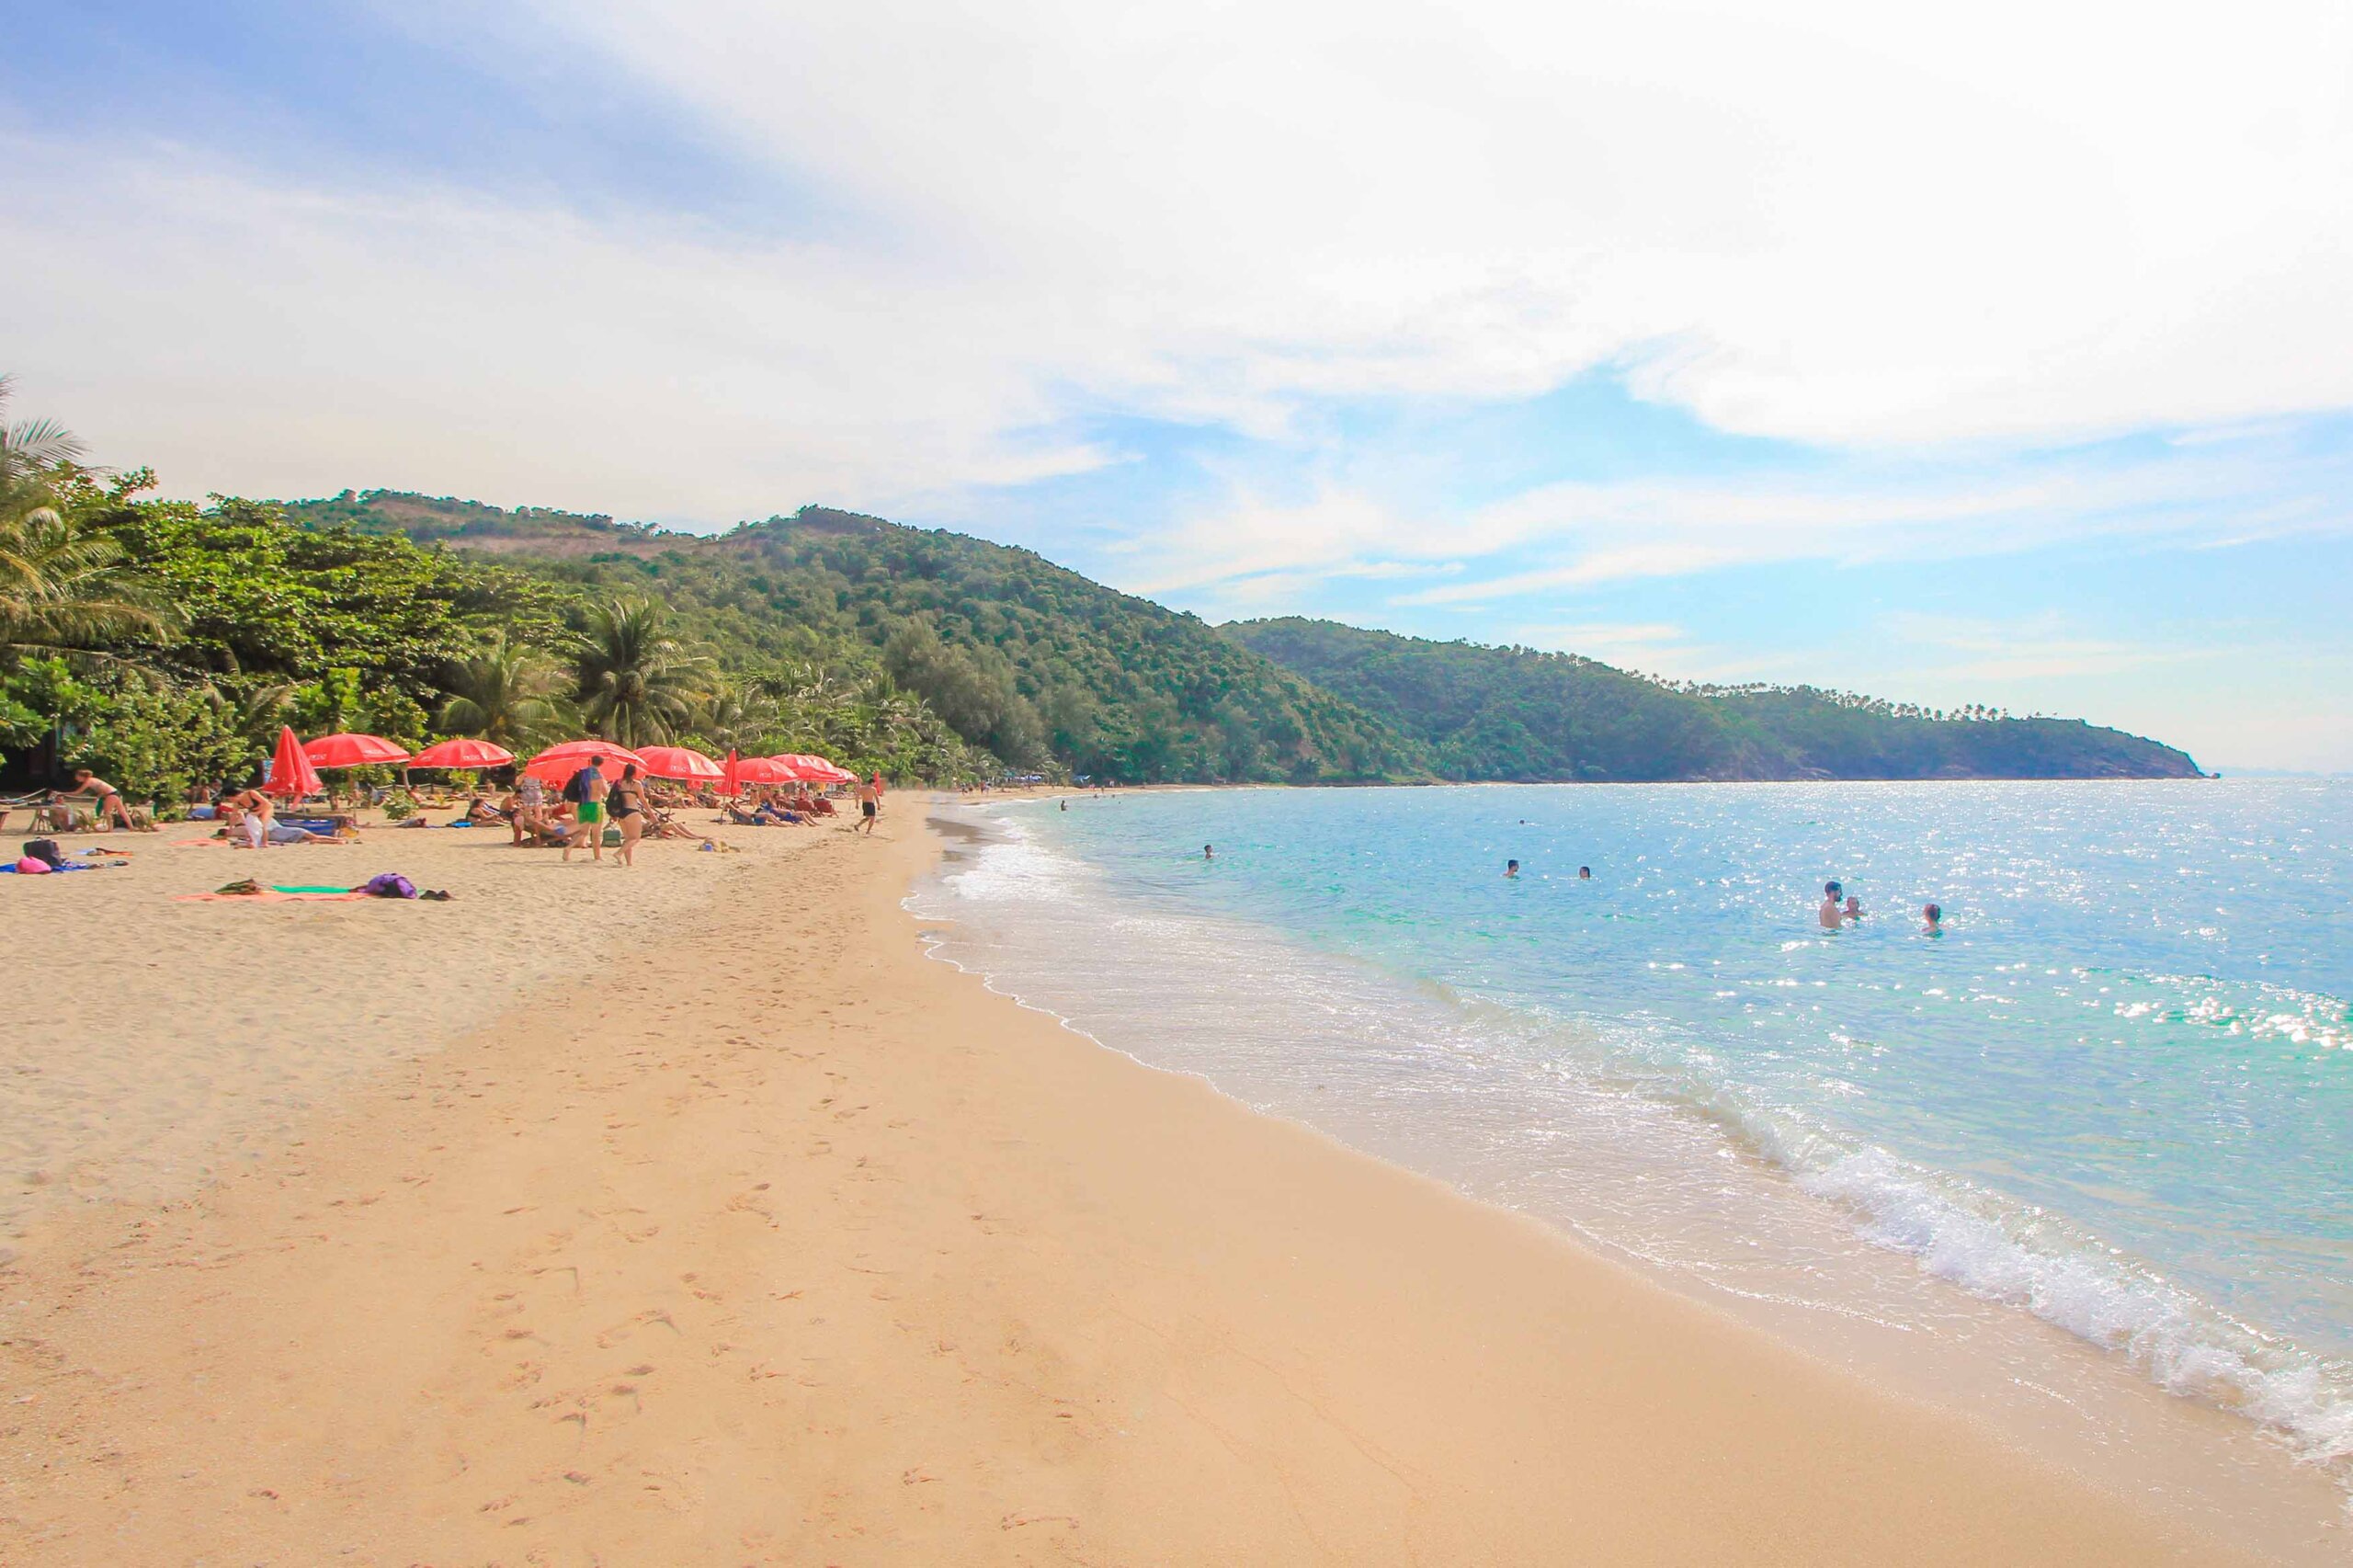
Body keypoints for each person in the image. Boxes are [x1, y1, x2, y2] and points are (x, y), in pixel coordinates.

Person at [64, 769, 144, 832]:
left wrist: (63, 793)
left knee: (107, 812)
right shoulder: (93, 780)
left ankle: (110, 829)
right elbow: (102, 789)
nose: (76, 778)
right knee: (122, 812)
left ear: (81, 776)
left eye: (77, 776)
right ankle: (131, 827)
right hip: (115, 792)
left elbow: (78, 792)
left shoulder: (88, 781)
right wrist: (98, 797)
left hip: (111, 795)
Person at [563, 756, 607, 863]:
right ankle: (597, 856)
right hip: (595, 805)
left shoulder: (582, 774)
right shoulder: (598, 775)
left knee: (583, 832)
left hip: (583, 805)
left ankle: (568, 848)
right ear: (601, 764)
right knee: (596, 833)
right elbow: (605, 793)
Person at [608, 763, 646, 867]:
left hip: (621, 813)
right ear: (634, 773)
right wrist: (652, 815)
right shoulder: (636, 784)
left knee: (628, 839)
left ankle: (629, 862)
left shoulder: (619, 783)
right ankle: (618, 853)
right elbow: (643, 801)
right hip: (632, 811)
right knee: (635, 838)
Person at [224, 782, 274, 849]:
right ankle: (254, 841)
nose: (231, 800)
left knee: (262, 824)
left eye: (231, 798)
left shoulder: (251, 793)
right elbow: (234, 815)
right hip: (254, 811)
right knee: (251, 825)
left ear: (237, 795)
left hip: (266, 808)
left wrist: (258, 812)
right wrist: (231, 828)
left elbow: (268, 804)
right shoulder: (236, 802)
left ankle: (264, 843)